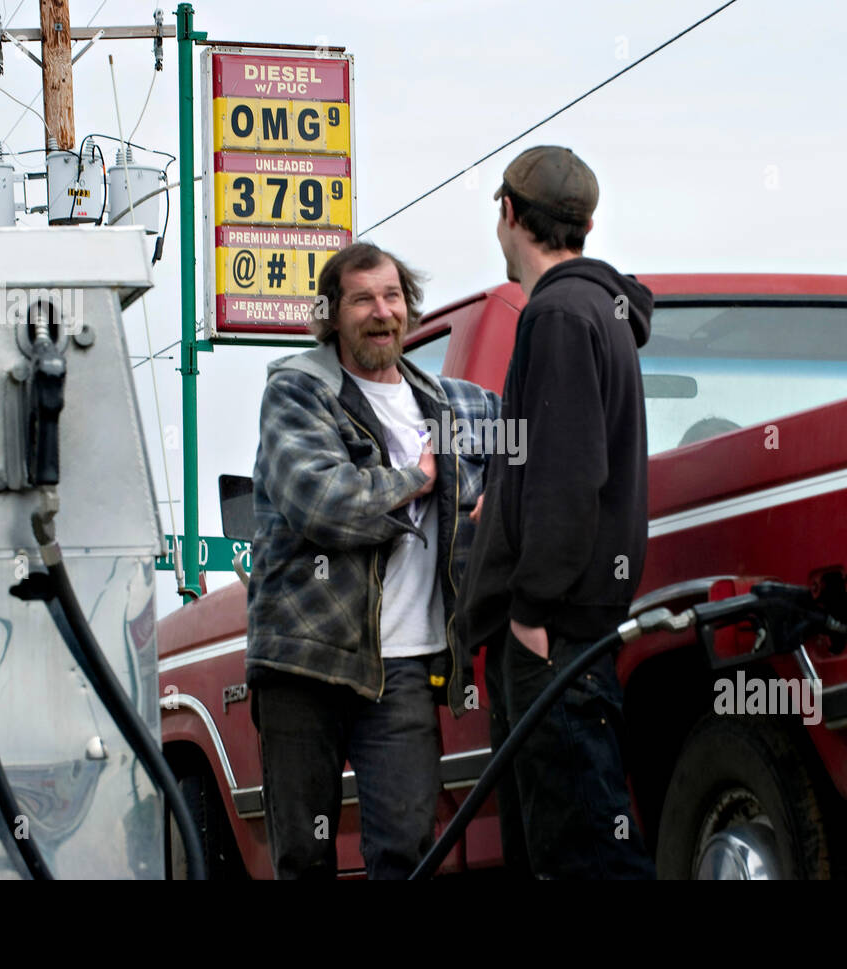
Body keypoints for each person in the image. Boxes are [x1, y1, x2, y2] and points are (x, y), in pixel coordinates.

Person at [246, 242, 499, 880]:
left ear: (408, 308)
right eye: (361, 299)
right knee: (304, 857)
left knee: (409, 851)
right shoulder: (299, 391)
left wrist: (499, 494)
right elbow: (319, 500)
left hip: (408, 667)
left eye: (391, 297)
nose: (380, 312)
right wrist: (414, 480)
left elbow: (535, 457)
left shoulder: (455, 404)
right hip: (305, 659)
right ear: (332, 314)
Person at [455, 145, 657, 879]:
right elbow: (556, 465)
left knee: (581, 859)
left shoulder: (560, 316)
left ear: (509, 213)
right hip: (572, 628)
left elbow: (568, 478)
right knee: (564, 848)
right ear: (588, 223)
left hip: (555, 635)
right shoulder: (593, 310)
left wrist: (530, 611)